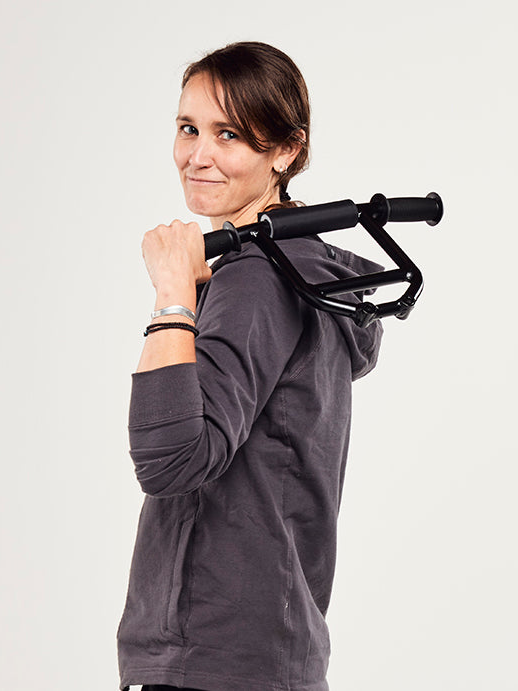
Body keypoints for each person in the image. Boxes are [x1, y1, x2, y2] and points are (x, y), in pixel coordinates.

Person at [117, 42, 384, 691]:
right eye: (188, 128)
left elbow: (171, 459)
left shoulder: (255, 277)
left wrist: (173, 294)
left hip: (213, 658)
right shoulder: (294, 269)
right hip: (268, 650)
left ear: (285, 151)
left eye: (228, 134)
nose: (196, 155)